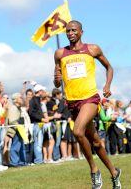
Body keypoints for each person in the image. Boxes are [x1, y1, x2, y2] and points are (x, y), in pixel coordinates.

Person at [53, 20, 121, 189]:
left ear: (81, 32)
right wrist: (56, 79)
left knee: (77, 131)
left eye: (74, 30)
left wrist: (107, 85)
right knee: (96, 141)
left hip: (90, 98)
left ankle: (94, 170)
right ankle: (114, 172)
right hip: (72, 102)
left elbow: (109, 67)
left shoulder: (92, 49)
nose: (70, 33)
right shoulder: (60, 53)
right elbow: (56, 83)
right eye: (68, 31)